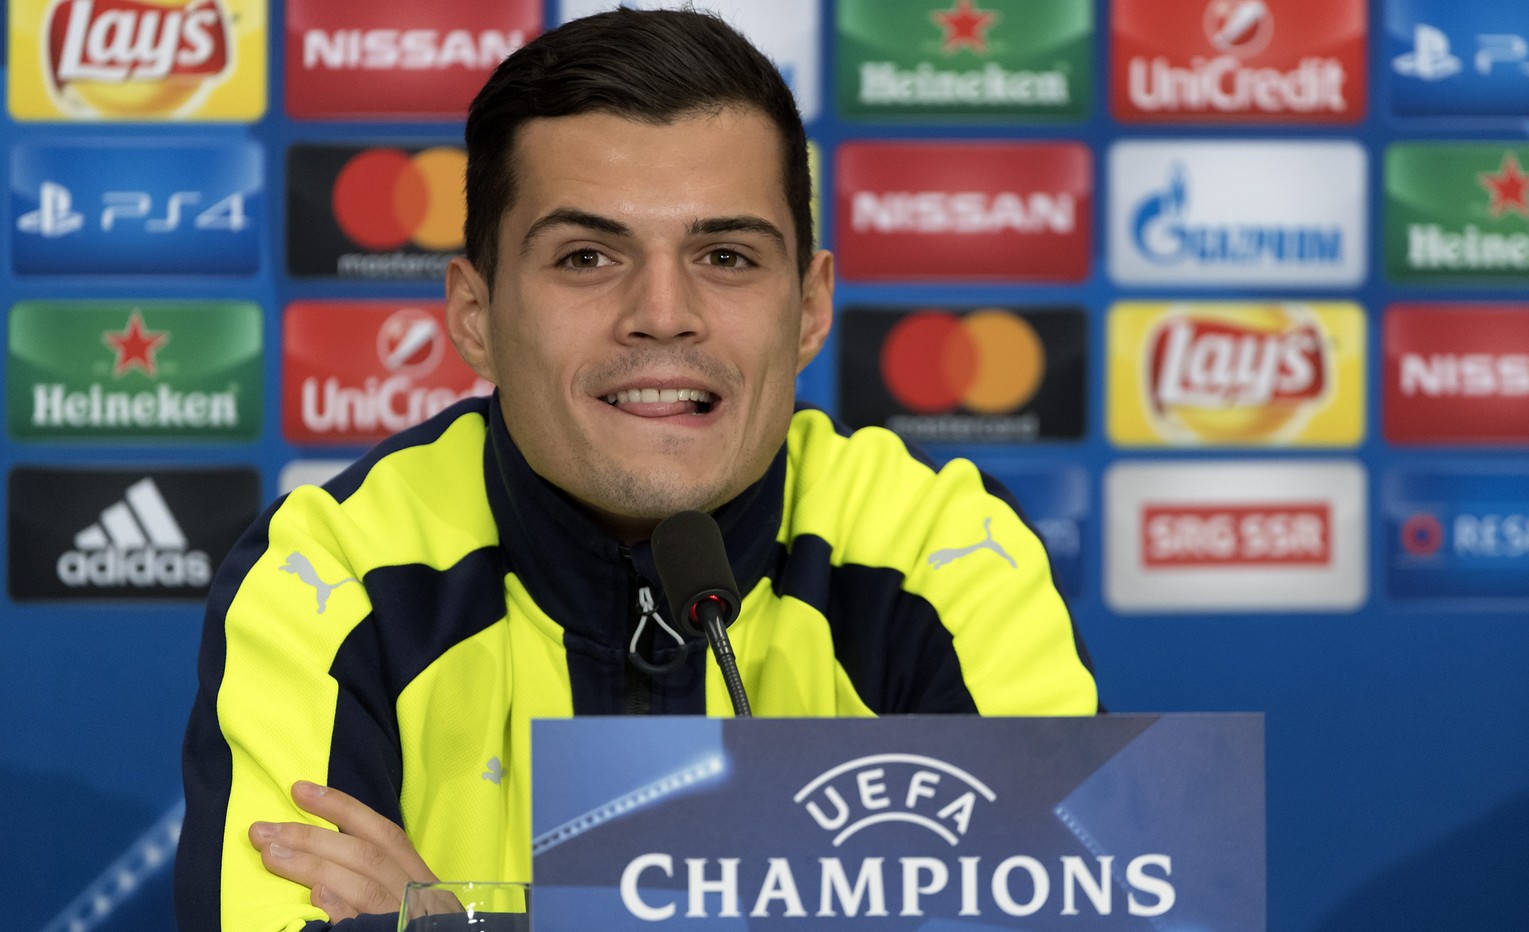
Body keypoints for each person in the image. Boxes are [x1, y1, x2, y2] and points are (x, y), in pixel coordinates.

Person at [175, 8, 1098, 931]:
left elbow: (1067, 917)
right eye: (586, 257)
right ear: (473, 314)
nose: (662, 313)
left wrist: (464, 923)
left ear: (810, 310)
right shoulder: (334, 575)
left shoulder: (944, 557)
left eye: (726, 256)